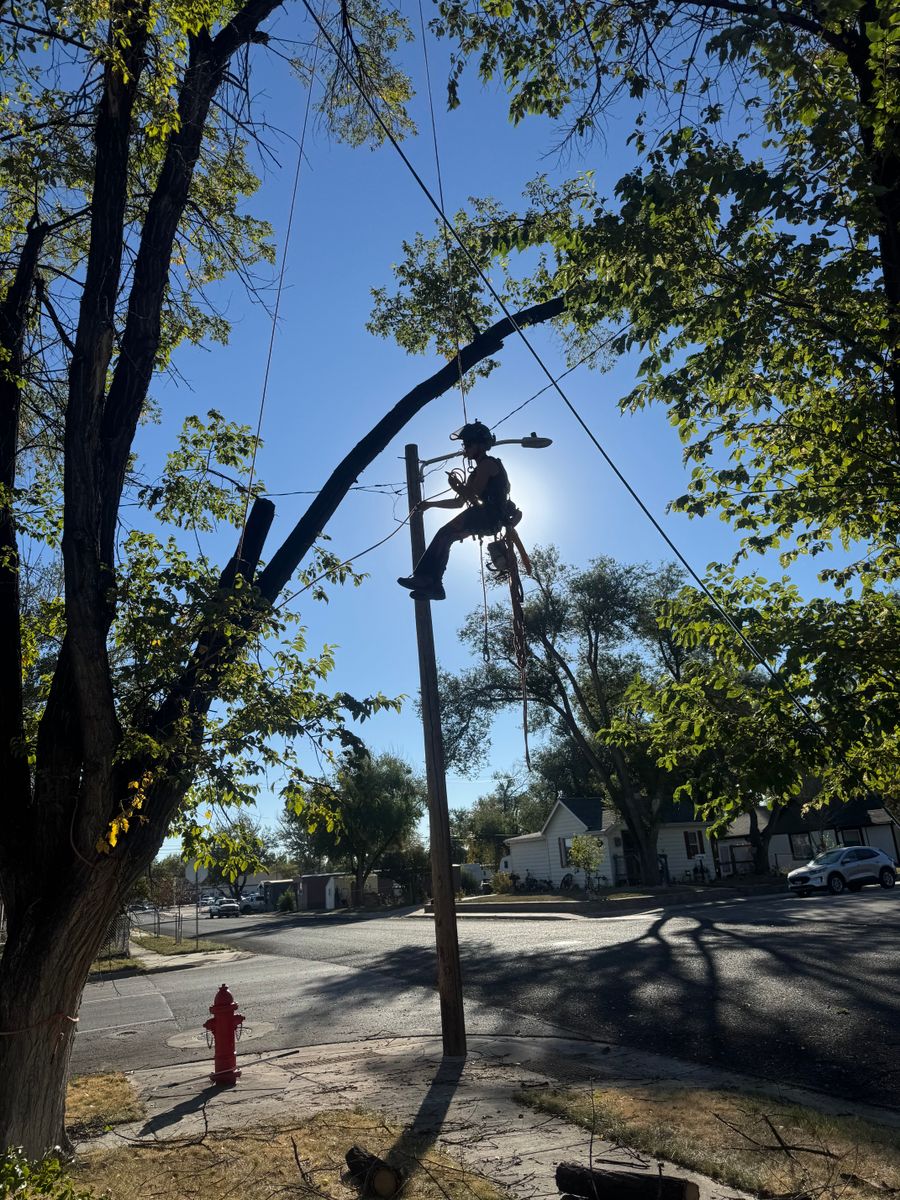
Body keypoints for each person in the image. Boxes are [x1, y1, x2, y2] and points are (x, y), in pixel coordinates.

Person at [398, 421, 520, 601]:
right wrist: (431, 504)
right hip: (485, 518)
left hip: (489, 515)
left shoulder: (488, 465)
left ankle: (426, 579)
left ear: (480, 444)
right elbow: (459, 503)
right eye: (465, 444)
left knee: (444, 534)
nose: (465, 448)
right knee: (446, 536)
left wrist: (457, 486)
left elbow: (473, 494)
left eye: (468, 444)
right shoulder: (476, 472)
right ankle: (435, 585)